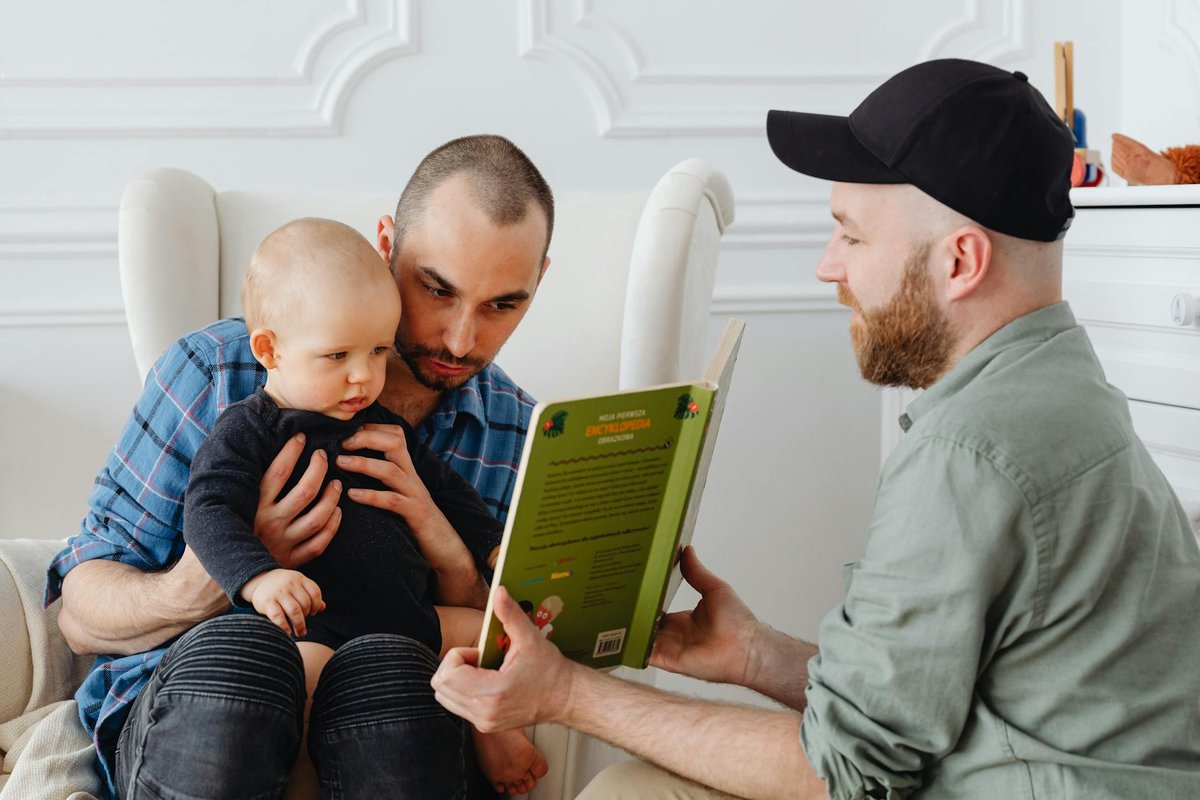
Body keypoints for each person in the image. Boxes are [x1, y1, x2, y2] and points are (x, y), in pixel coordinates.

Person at [431, 59, 1200, 799]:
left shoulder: (967, 454)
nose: (828, 267)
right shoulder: (1058, 383)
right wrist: (758, 656)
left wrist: (565, 694)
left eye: (853, 236)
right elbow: (929, 697)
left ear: (961, 261)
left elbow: (845, 774)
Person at [46, 135, 554, 799]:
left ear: (539, 280)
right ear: (386, 245)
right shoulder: (217, 375)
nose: (461, 339)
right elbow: (78, 617)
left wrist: (451, 549)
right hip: (208, 703)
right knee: (246, 661)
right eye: (438, 290)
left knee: (390, 672)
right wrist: (231, 573)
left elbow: (510, 629)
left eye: (503, 304)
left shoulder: (521, 432)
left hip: (395, 709)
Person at [183, 217, 537, 795]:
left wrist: (495, 545)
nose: (363, 376)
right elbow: (207, 509)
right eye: (337, 355)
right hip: (322, 628)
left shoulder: (379, 424)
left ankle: (491, 731)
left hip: (406, 619)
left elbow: (449, 491)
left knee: (494, 637)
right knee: (301, 692)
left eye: (377, 351)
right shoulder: (250, 428)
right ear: (270, 349)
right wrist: (259, 576)